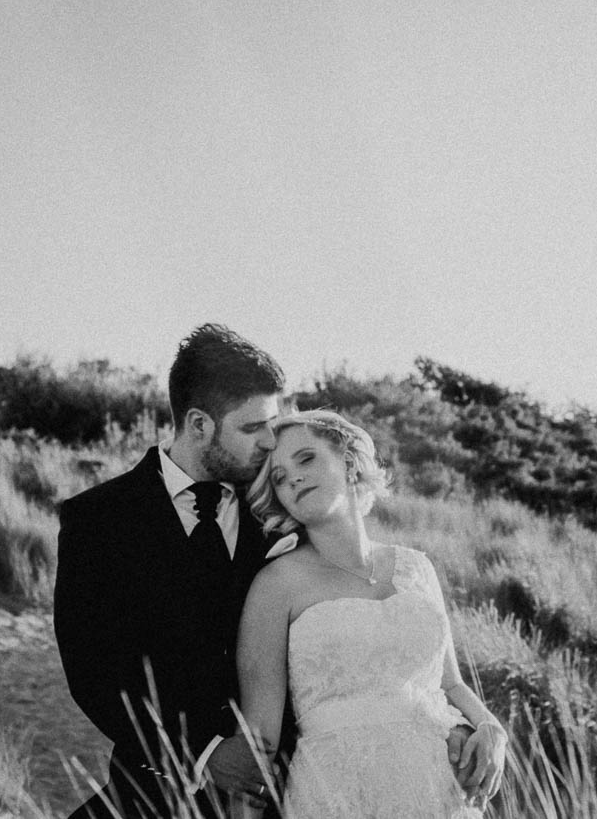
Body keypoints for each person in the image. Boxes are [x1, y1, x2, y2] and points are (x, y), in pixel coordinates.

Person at [54, 323, 287, 818]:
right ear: (199, 424)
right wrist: (202, 753)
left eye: (274, 423)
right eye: (252, 428)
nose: (272, 442)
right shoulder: (96, 520)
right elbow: (94, 671)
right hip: (153, 790)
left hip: (278, 793)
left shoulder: (279, 511)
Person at [237, 409, 508, 818]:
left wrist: (492, 729)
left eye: (306, 459)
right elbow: (260, 739)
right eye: (278, 477)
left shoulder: (417, 566)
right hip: (337, 791)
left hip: (439, 788)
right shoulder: (275, 585)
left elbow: (450, 683)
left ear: (347, 461)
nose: (291, 477)